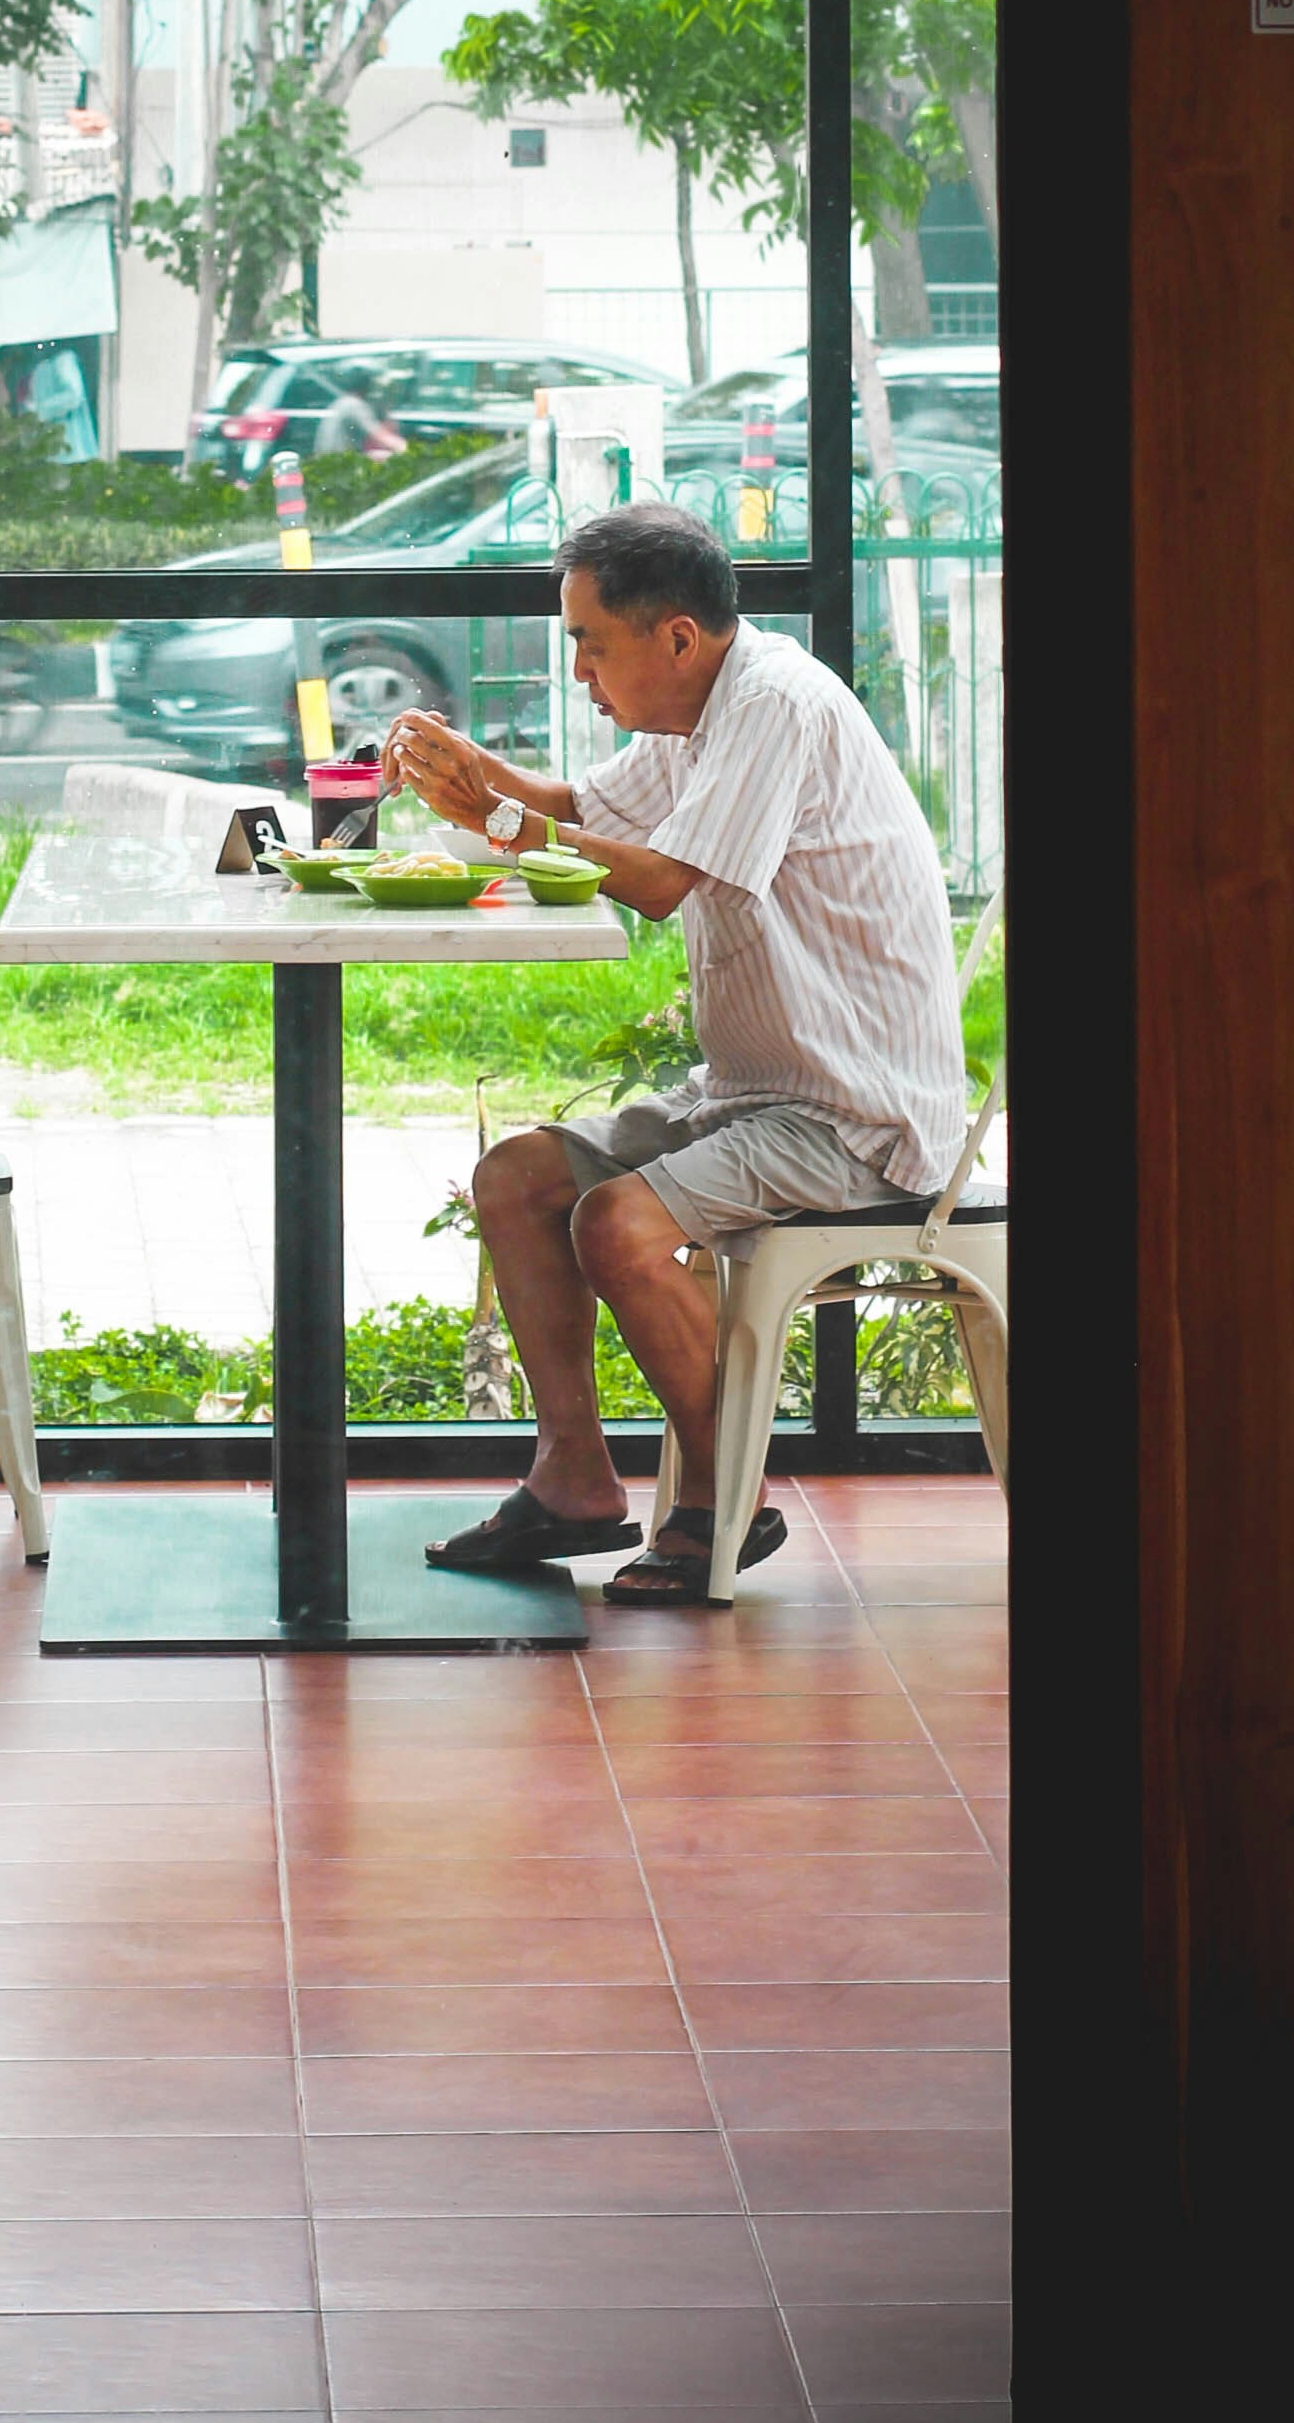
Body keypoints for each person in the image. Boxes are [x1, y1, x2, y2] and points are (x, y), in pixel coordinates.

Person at [381, 501, 968, 1605]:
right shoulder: (703, 713)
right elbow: (580, 811)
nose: (580, 675)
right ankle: (573, 1482)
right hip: (757, 1090)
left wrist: (496, 821)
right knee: (514, 1181)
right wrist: (475, 773)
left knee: (617, 1221)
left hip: (856, 1112)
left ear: (676, 640)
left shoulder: (774, 708)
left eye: (588, 645)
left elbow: (654, 882)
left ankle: (721, 1498)